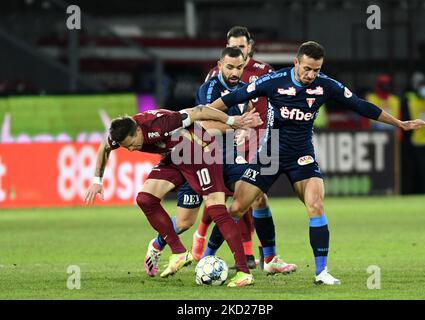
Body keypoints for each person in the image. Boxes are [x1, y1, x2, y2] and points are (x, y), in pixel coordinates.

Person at [206, 41, 425, 285]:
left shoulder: (326, 85)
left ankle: (321, 272)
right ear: (296, 63)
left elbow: (360, 105)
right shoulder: (274, 80)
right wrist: (204, 113)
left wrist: (400, 123)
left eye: (317, 69)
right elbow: (234, 96)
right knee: (237, 207)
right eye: (307, 69)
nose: (311, 75)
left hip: (302, 155)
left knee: (316, 205)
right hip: (269, 154)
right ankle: (207, 258)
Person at [145, 47, 296, 277]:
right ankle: (157, 245)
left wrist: (245, 130)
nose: (235, 72)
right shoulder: (210, 90)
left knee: (258, 197)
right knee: (185, 221)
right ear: (219, 65)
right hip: (198, 158)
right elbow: (202, 126)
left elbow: (246, 121)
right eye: (230, 67)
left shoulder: (246, 91)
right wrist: (237, 124)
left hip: (228, 159)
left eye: (239, 67)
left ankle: (269, 258)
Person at [84, 102, 262, 287]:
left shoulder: (159, 124)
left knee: (216, 209)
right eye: (126, 147)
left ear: (137, 131)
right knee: (145, 199)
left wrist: (233, 121)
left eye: (131, 144)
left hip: (199, 152)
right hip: (175, 157)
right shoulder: (121, 134)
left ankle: (243, 272)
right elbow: (105, 146)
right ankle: (179, 252)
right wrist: (97, 180)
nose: (131, 149)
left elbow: (198, 111)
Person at [195, 26, 275, 269]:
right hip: (224, 142)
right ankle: (203, 241)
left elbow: (270, 103)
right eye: (234, 47)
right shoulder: (215, 77)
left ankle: (263, 255)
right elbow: (205, 117)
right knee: (228, 197)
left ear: (249, 46)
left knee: (254, 196)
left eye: (242, 46)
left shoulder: (264, 71)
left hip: (258, 138)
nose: (239, 51)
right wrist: (234, 127)